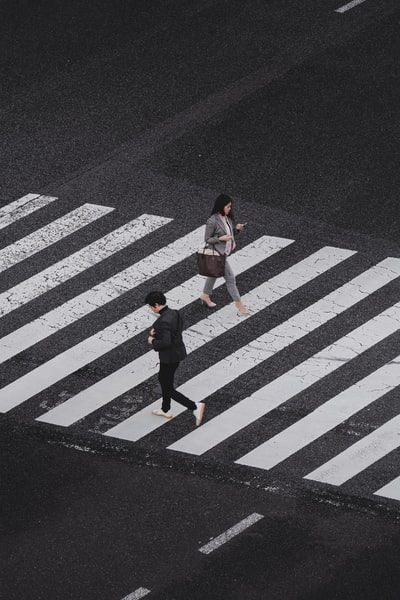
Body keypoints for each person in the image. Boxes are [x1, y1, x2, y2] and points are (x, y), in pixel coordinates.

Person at [145, 290, 205, 425]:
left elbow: (166, 342)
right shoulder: (174, 313)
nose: (150, 309)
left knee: (167, 387)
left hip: (169, 357)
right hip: (177, 353)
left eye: (150, 306)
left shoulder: (163, 322)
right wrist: (156, 332)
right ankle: (165, 409)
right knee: (165, 380)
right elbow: (173, 330)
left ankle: (194, 406)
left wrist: (152, 340)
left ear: (155, 305)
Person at [200, 193, 249, 315]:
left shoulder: (227, 218)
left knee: (213, 274)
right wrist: (220, 239)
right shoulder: (212, 221)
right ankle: (239, 304)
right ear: (221, 206)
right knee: (230, 279)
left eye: (230, 206)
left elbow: (230, 234)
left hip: (224, 252)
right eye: (227, 206)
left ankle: (205, 295)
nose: (229, 209)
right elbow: (207, 239)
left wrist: (237, 229)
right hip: (218, 254)